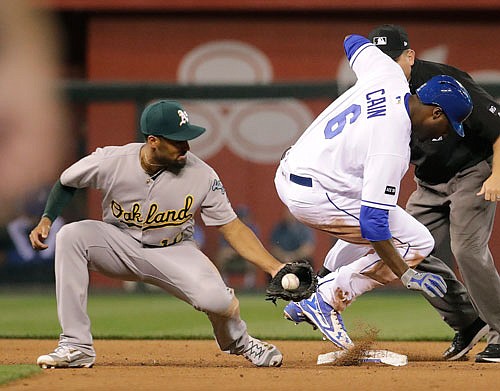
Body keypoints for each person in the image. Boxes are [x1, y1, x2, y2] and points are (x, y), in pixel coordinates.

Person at [29, 100, 285, 369]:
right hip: (119, 244)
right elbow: (67, 182)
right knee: (70, 235)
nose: (186, 147)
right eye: (177, 141)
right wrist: (47, 219)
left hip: (175, 249)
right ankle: (76, 345)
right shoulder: (112, 161)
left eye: (187, 139)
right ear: (153, 141)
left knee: (218, 300)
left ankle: (241, 343)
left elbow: (232, 227)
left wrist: (274, 267)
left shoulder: (201, 175)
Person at [274, 34, 472, 350]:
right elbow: (374, 224)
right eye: (448, 125)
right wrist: (404, 273)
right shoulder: (393, 142)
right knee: (415, 242)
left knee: (387, 219)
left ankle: (318, 289)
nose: (443, 134)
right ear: (435, 113)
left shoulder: (389, 74)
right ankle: (326, 300)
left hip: (300, 170)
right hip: (314, 193)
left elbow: (353, 41)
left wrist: (383, 64)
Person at [365, 24, 500, 363]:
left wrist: (497, 175)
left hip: (471, 173)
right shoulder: (372, 91)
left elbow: (497, 129)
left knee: (466, 249)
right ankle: (467, 321)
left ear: (409, 56)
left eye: (391, 59)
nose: (384, 67)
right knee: (407, 249)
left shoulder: (443, 82)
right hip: (427, 181)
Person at [215, 205, 259, 289]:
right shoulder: (228, 228)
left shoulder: (253, 229)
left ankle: (249, 285)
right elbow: (224, 247)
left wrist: (242, 251)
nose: (243, 220)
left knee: (255, 256)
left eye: (245, 217)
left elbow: (255, 247)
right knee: (222, 255)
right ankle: (224, 283)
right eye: (241, 218)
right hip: (232, 255)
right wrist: (238, 251)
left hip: (246, 256)